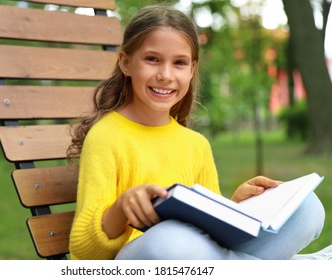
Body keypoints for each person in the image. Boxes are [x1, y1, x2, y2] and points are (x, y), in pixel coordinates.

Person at [67, 4, 329, 260]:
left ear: (192, 70)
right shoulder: (106, 137)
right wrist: (121, 207)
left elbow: (213, 235)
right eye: (152, 59)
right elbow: (85, 254)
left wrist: (235, 207)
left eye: (179, 63)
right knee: (170, 237)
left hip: (197, 258)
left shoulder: (195, 144)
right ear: (126, 63)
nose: (166, 75)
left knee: (308, 208)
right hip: (149, 256)